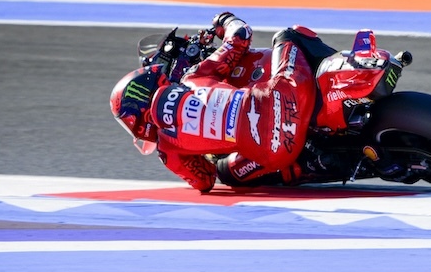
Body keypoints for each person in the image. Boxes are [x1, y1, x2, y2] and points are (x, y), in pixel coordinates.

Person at [110, 12, 326, 193]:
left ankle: (310, 165)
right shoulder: (192, 78)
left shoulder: (167, 151)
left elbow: (205, 181)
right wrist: (224, 20)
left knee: (227, 172)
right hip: (287, 94)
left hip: (279, 152)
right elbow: (241, 35)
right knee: (288, 35)